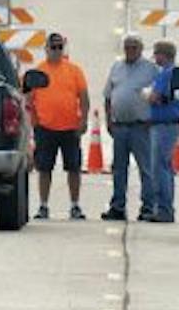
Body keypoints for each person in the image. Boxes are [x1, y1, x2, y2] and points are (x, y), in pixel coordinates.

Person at [26, 32, 91, 220]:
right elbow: (28, 100)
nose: (56, 51)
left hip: (70, 128)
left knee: (74, 168)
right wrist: (34, 122)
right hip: (45, 128)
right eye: (53, 47)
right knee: (44, 168)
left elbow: (84, 98)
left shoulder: (74, 71)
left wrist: (83, 120)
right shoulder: (37, 72)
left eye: (59, 47)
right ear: (46, 49)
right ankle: (43, 206)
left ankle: (75, 205)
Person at [101, 35, 159, 222]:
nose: (130, 50)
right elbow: (108, 96)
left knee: (146, 169)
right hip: (120, 126)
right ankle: (117, 207)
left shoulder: (150, 69)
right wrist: (108, 119)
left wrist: (154, 118)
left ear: (141, 49)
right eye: (127, 47)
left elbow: (160, 94)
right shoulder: (116, 67)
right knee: (119, 169)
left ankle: (148, 207)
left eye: (134, 47)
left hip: (141, 126)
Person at [144, 39, 179, 223]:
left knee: (159, 167)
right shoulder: (174, 73)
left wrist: (146, 94)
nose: (155, 58)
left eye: (157, 54)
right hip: (170, 124)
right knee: (166, 167)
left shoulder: (165, 74)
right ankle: (165, 207)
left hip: (163, 125)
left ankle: (163, 209)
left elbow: (155, 97)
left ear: (163, 54)